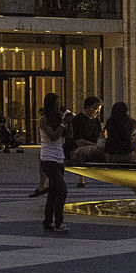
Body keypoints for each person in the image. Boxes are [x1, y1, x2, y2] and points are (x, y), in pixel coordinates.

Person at [39, 93, 72, 233]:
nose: (59, 106)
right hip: (48, 159)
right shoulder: (43, 120)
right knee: (62, 191)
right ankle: (59, 223)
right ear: (51, 105)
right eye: (57, 104)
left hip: (59, 158)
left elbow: (68, 136)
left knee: (53, 192)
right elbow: (52, 136)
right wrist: (63, 123)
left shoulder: (59, 119)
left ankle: (47, 222)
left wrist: (69, 124)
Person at [64, 96, 104, 186]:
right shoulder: (76, 120)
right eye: (96, 109)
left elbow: (99, 136)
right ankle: (82, 178)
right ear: (88, 107)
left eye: (99, 110)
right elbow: (78, 141)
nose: (98, 112)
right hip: (76, 148)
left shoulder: (96, 121)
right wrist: (96, 145)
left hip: (92, 147)